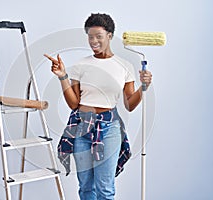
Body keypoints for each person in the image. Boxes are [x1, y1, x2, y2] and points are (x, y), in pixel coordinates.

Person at [44, 13, 152, 200]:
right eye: (90, 36)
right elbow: (74, 104)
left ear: (110, 36)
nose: (93, 41)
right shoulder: (81, 65)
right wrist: (63, 76)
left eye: (98, 36)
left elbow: (129, 105)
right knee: (86, 186)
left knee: (105, 188)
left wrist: (144, 87)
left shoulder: (124, 66)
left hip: (109, 129)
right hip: (81, 127)